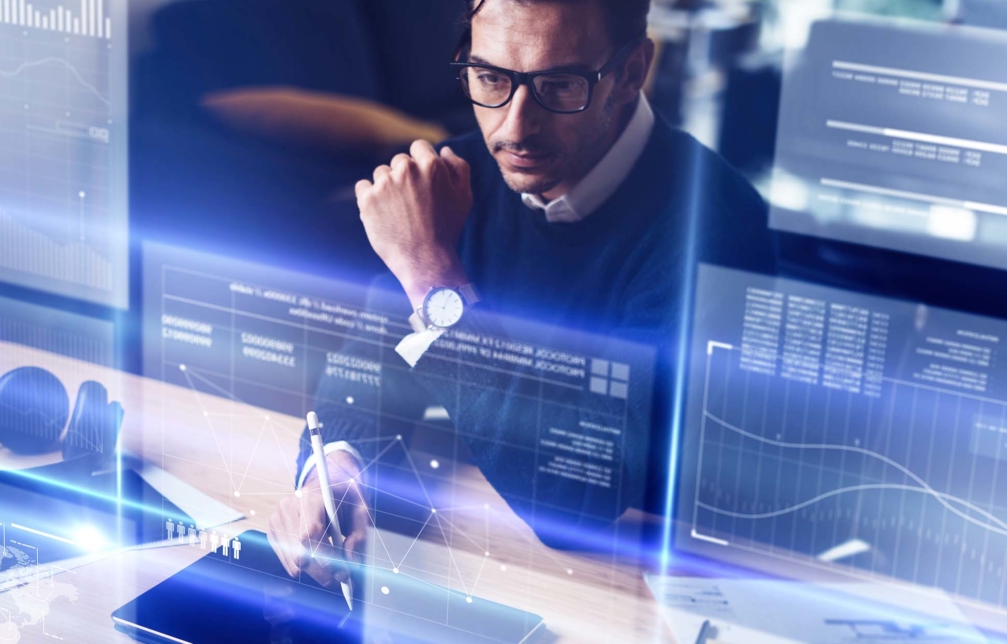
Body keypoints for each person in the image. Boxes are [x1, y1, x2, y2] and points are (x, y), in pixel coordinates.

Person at [269, 0, 774, 590]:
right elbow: (374, 363)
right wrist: (336, 473)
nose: (512, 128)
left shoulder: (716, 228)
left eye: (559, 85)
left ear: (633, 71)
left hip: (660, 583)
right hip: (492, 555)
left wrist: (431, 273)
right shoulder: (465, 175)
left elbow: (577, 499)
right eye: (490, 79)